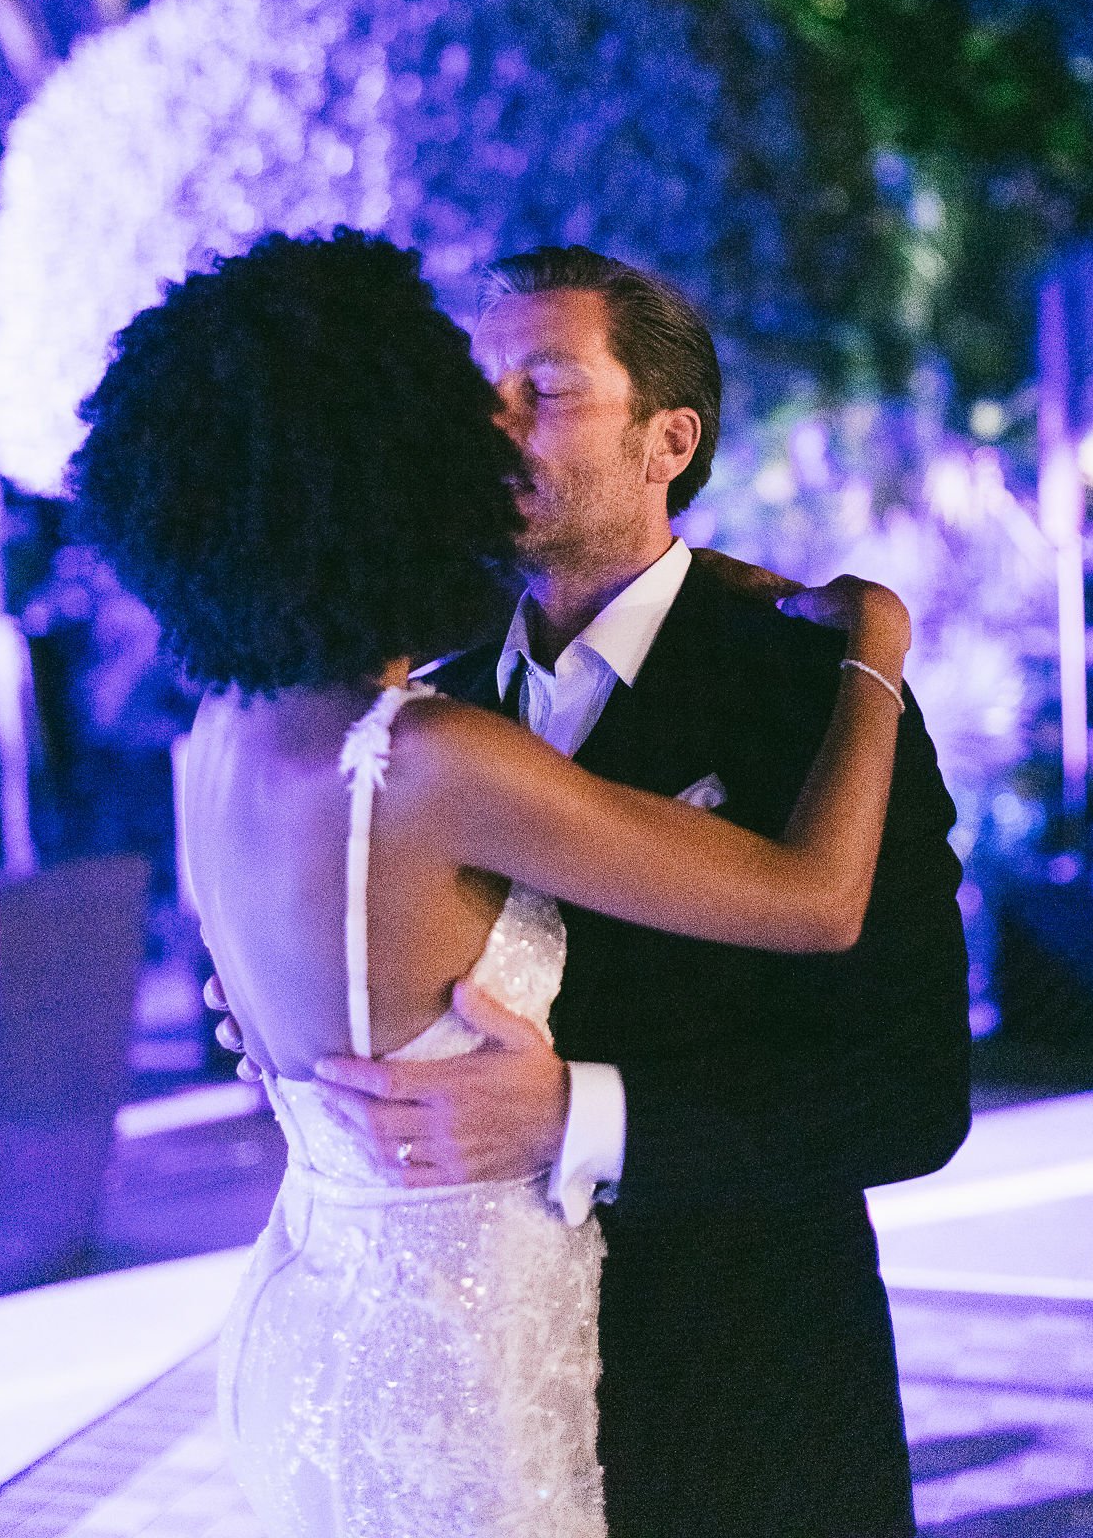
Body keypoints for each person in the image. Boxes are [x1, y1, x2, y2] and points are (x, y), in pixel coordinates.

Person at [73, 228, 915, 1538]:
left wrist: (564, 1110)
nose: (492, 426)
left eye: (548, 388)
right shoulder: (428, 726)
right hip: (459, 1380)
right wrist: (878, 643)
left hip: (718, 1389)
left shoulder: (779, 692)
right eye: (473, 395)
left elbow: (907, 1092)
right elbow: (807, 896)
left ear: (669, 439)